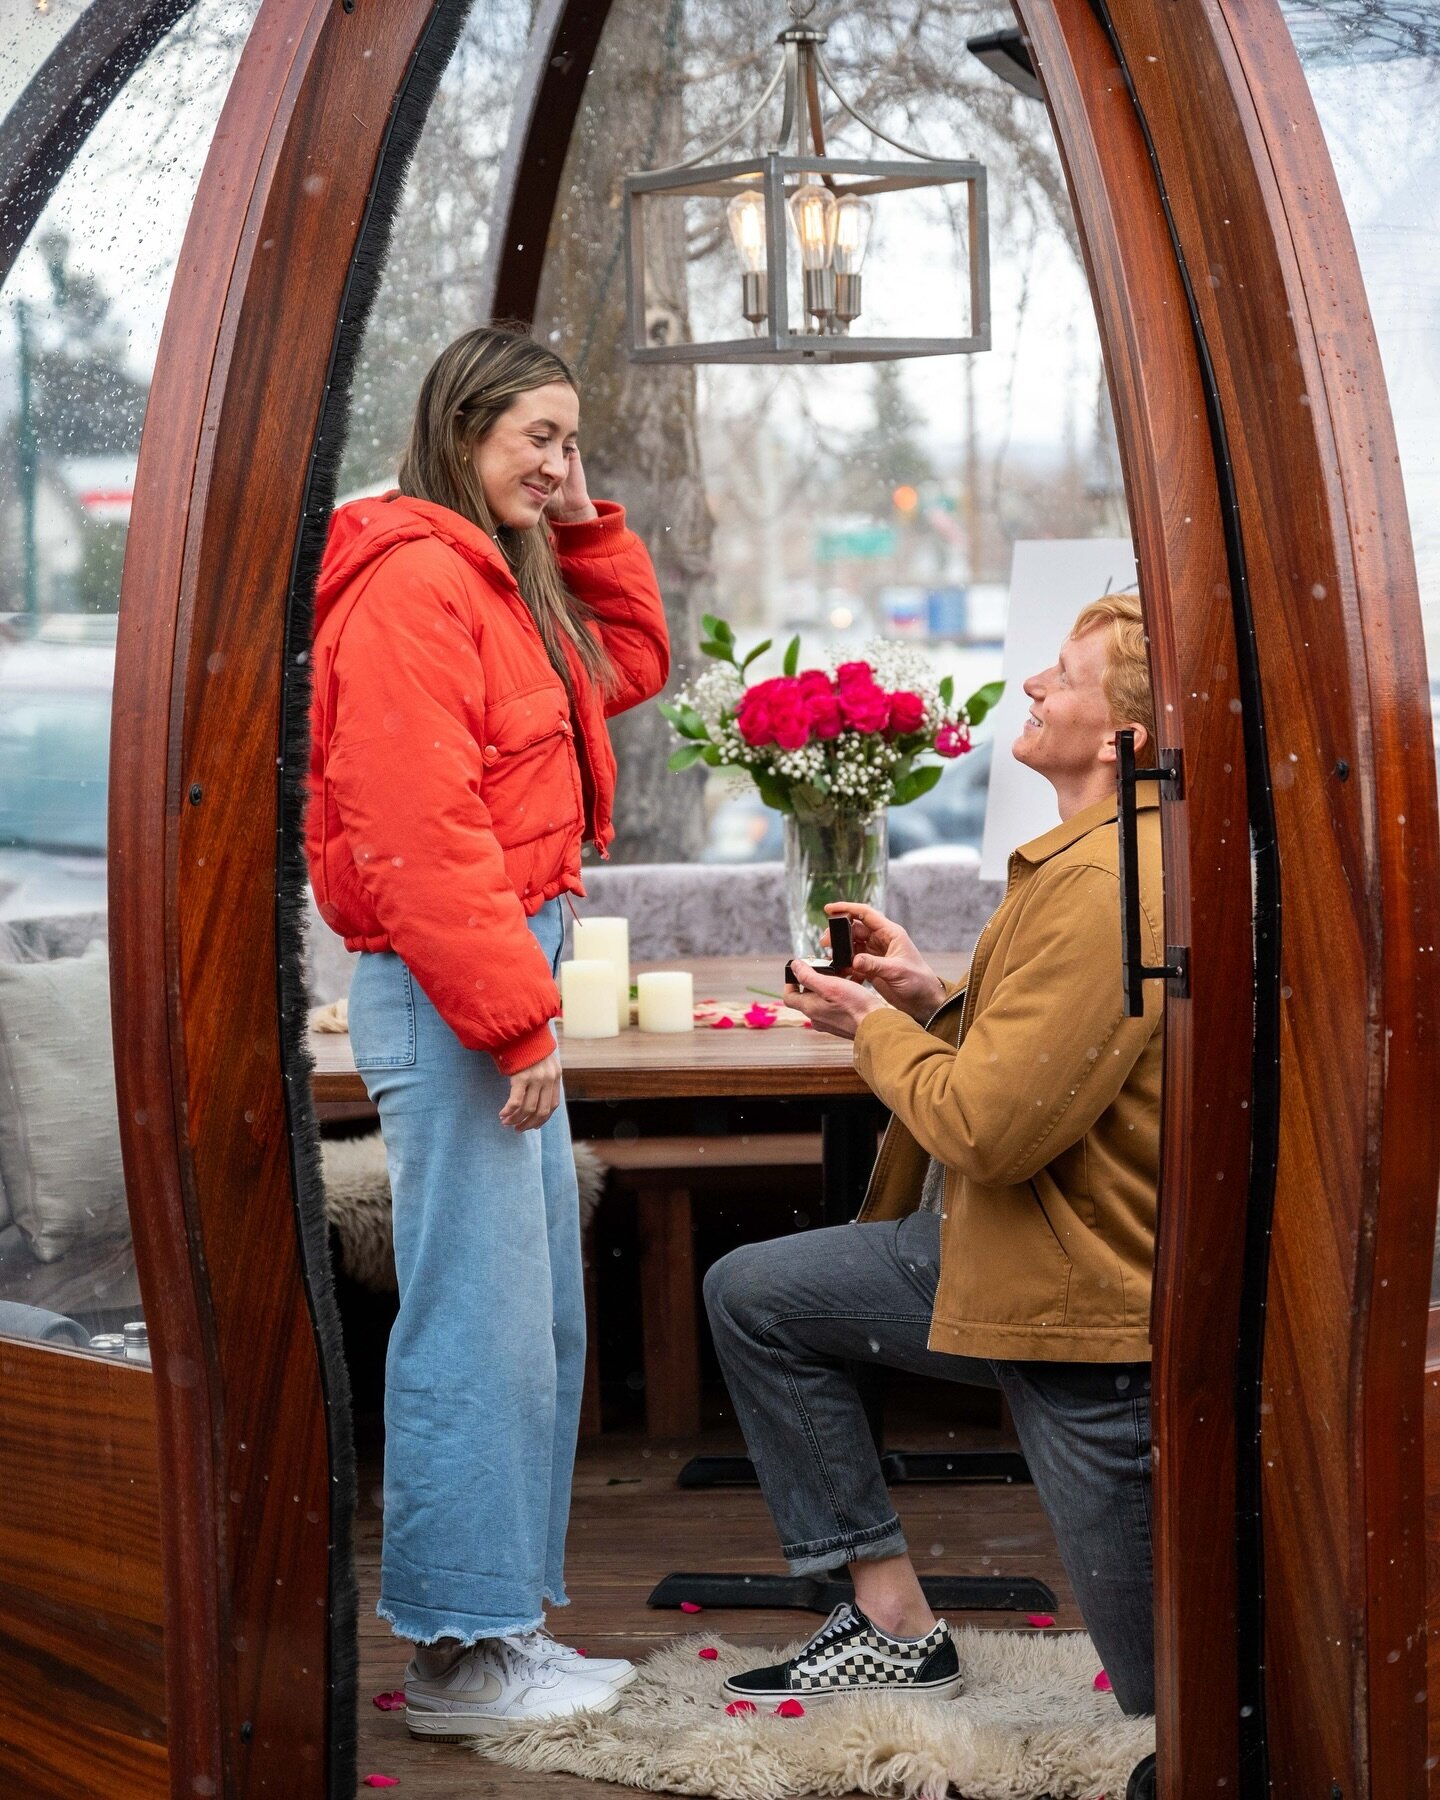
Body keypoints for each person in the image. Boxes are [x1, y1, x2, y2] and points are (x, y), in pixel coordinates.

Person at [704, 593, 1163, 1715]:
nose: (1033, 688)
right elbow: (1045, 1063)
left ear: (1122, 742)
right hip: (997, 1251)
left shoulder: (1109, 885)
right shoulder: (1101, 862)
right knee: (755, 1294)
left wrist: (876, 1032)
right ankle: (891, 1622)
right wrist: (932, 998)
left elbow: (987, 1132)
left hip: (1067, 1293)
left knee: (1175, 1698)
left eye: (1061, 674)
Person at [306, 326, 669, 1737]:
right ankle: (460, 1660)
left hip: (501, 967)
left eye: (573, 439)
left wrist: (589, 520)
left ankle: (497, 1630)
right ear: (463, 430)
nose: (563, 463)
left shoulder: (492, 576)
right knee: (477, 1322)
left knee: (534, 1320)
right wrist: (519, 1021)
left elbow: (621, 669)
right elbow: (413, 826)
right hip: (464, 980)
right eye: (540, 439)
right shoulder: (410, 583)